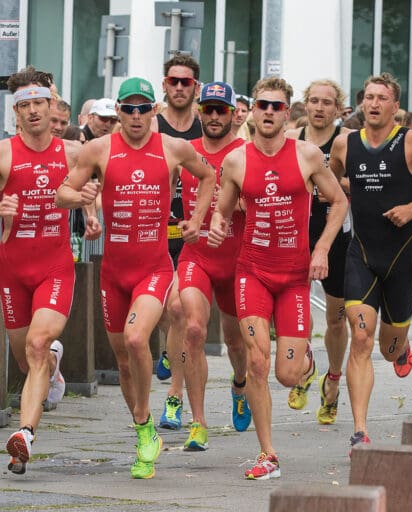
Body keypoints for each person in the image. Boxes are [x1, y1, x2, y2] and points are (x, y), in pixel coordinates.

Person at [55, 76, 215, 479]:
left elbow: (209, 176)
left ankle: (147, 421)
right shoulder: (99, 149)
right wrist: (82, 199)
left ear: (155, 111)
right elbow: (61, 193)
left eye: (145, 108)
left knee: (136, 337)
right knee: (124, 362)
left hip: (154, 268)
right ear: (119, 113)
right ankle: (144, 428)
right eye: (130, 108)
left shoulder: (173, 148)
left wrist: (197, 219)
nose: (138, 115)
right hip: (114, 272)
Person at [0, 67, 99, 476]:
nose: (34, 111)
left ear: (51, 105)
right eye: (25, 105)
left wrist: (90, 214)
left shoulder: (71, 152)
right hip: (13, 269)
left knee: (37, 344)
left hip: (55, 266)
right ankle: (52, 367)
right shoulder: (0, 153)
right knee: (26, 361)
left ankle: (23, 438)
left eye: (40, 102)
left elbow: (85, 187)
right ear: (15, 111)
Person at [208, 76, 347, 480]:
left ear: (288, 113)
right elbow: (225, 209)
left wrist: (320, 249)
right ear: (251, 111)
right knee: (256, 361)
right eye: (262, 105)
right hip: (251, 272)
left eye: (276, 106)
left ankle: (305, 364)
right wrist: (217, 224)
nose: (268, 112)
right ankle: (268, 453)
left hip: (293, 278)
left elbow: (338, 203)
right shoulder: (235, 161)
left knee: (286, 376)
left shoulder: (306, 155)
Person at [328, 72, 412, 451]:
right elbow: (326, 181)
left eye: (381, 98)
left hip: (402, 259)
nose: (372, 104)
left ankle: (401, 345)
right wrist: (340, 191)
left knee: (388, 350)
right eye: (368, 97)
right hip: (362, 255)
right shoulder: (344, 144)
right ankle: (359, 430)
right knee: (360, 338)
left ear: (395, 106)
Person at [175, 81, 251, 451]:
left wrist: (240, 206)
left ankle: (240, 385)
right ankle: (198, 422)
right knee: (193, 330)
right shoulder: (186, 151)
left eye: (222, 109)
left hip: (237, 259)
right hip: (198, 255)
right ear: (199, 112)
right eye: (209, 109)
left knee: (237, 342)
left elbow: (266, 205)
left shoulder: (246, 153)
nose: (215, 116)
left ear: (235, 114)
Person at [285, 79, 352, 425]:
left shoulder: (344, 140)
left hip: (335, 234)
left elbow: (362, 182)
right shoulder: (292, 138)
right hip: (296, 232)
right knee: (294, 306)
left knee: (336, 318)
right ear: (305, 105)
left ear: (338, 108)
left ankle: (334, 379)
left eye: (327, 102)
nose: (320, 107)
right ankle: (305, 364)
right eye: (314, 101)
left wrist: (336, 186)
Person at [151, 54, 203, 431]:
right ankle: (171, 353)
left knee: (179, 312)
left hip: (193, 238)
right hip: (152, 235)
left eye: (187, 82)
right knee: (171, 316)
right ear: (164, 84)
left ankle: (174, 397)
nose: (180, 87)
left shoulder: (208, 124)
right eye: (174, 81)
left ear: (195, 87)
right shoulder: (149, 125)